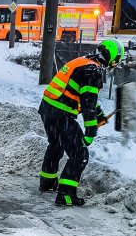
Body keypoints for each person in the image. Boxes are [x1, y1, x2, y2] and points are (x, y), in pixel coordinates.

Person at [38, 38, 124, 207]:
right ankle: (66, 195)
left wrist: (99, 115)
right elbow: (87, 103)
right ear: (113, 58)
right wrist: (91, 130)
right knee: (80, 154)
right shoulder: (93, 71)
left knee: (56, 144)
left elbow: (85, 96)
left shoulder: (84, 62)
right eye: (116, 61)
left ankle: (47, 182)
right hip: (61, 113)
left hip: (48, 108)